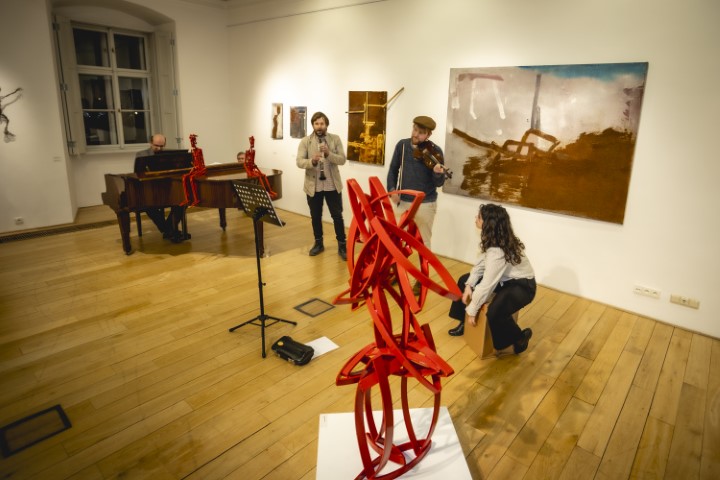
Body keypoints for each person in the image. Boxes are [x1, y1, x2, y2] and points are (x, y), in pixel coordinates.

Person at [448, 203, 536, 356]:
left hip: (522, 286)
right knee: (463, 280)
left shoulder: (498, 250)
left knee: (495, 312)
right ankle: (463, 322)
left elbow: (487, 284)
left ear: (488, 223)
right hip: (504, 280)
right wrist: (469, 284)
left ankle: (518, 339)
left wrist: (472, 310)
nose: (476, 218)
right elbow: (481, 264)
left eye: (479, 217)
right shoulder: (495, 238)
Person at [387, 115, 446, 293]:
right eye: (414, 129)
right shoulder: (402, 145)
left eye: (421, 133)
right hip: (403, 202)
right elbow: (393, 169)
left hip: (425, 204)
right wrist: (392, 190)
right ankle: (395, 272)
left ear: (428, 135)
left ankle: (422, 279)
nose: (415, 134)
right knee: (396, 240)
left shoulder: (435, 151)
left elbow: (439, 183)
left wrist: (437, 172)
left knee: (423, 244)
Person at [296, 111, 348, 260]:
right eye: (316, 123)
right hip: (314, 186)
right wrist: (311, 161)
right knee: (315, 216)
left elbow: (342, 160)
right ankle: (318, 243)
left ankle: (342, 245)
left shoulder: (335, 139)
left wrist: (329, 154)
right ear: (313, 125)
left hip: (332, 185)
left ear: (326, 125)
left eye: (322, 123)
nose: (319, 126)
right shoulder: (305, 141)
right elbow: (299, 161)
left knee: (337, 216)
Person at [135, 133, 185, 242]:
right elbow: (138, 175)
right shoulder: (141, 155)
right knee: (148, 205)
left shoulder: (168, 155)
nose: (159, 148)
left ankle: (169, 228)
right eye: (156, 145)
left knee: (183, 201)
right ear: (150, 143)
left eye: (161, 146)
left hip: (166, 188)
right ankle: (168, 229)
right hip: (149, 189)